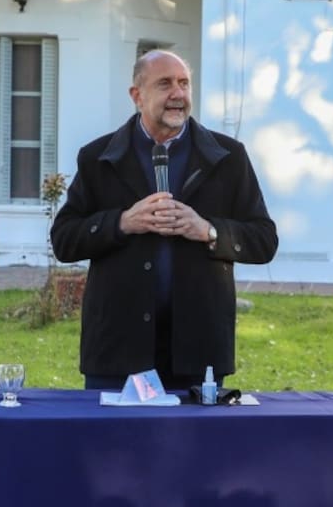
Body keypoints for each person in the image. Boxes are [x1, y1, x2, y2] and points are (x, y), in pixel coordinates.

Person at [51, 49, 277, 390]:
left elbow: (264, 240)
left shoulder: (227, 157)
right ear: (137, 95)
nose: (178, 94)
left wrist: (209, 230)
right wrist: (122, 222)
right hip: (118, 349)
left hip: (198, 352)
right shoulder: (99, 158)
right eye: (165, 84)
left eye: (184, 83)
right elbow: (64, 240)